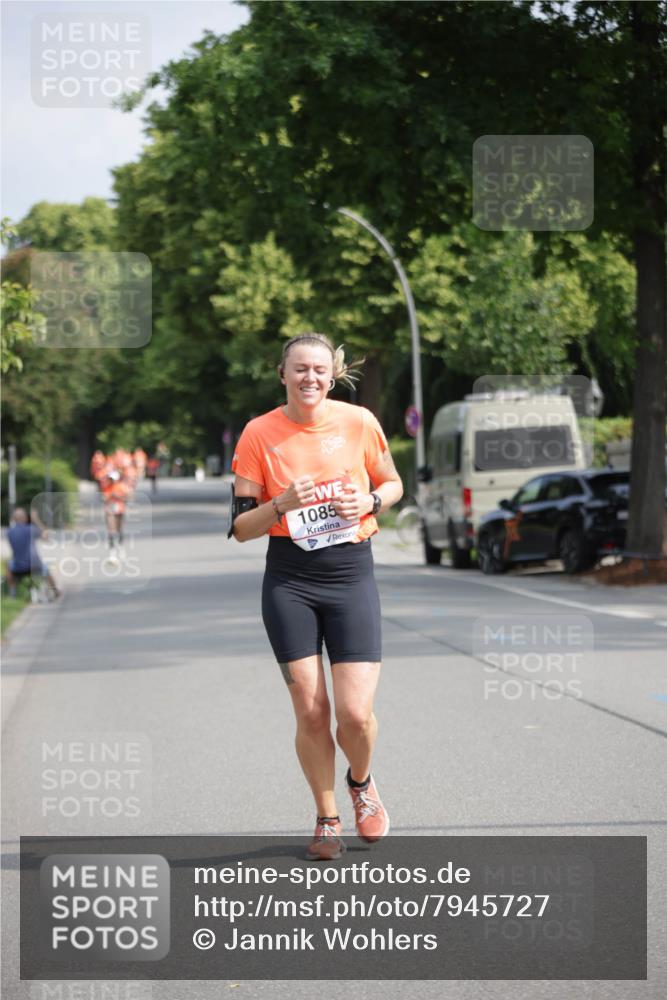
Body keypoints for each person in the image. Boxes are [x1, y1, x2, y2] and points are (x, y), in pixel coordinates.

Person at [229, 332, 403, 860]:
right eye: (299, 368)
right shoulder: (259, 433)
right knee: (310, 709)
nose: (310, 378)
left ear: (333, 375)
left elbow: (393, 483)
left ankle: (362, 783)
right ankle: (327, 818)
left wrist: (369, 500)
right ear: (282, 374)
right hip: (289, 580)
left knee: (354, 715)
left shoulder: (359, 422)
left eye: (319, 370)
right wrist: (280, 503)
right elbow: (239, 527)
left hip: (350, 574)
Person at [6, 507, 60, 599]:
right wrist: (36, 519)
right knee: (46, 570)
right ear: (26, 518)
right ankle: (55, 591)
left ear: (14, 519)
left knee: (9, 567)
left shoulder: (10, 532)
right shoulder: (31, 529)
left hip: (18, 567)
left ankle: (12, 594)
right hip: (34, 565)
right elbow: (46, 535)